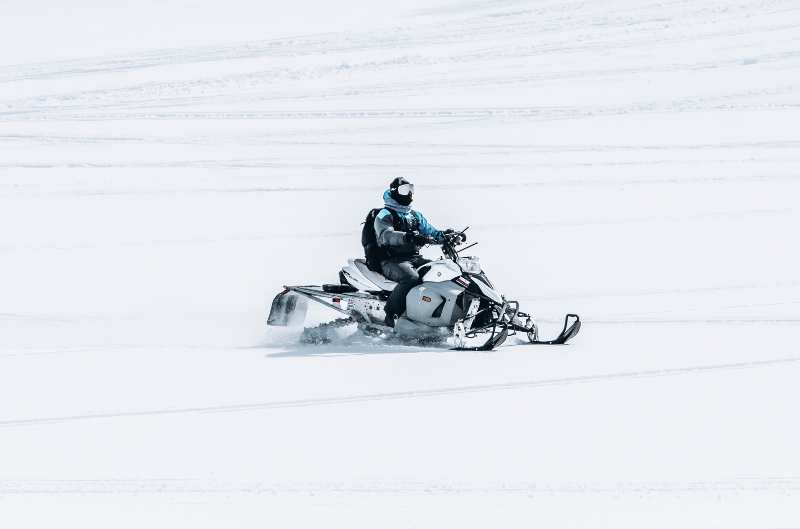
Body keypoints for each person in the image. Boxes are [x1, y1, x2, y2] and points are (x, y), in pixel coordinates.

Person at [373, 177, 465, 327]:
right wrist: (408, 237)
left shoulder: (414, 215)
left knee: (440, 273)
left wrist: (447, 236)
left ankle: (432, 316)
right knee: (411, 277)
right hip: (392, 260)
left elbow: (431, 232)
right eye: (404, 190)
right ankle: (391, 315)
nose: (408, 194)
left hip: (414, 258)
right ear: (395, 192)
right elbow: (386, 236)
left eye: (411, 189)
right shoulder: (384, 214)